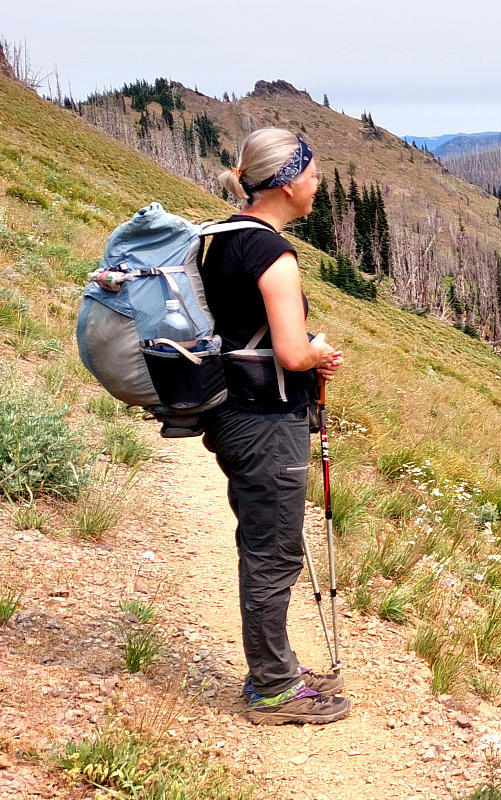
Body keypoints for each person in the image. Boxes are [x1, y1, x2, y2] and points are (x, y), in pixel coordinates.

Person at [202, 128, 348, 725]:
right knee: (273, 552)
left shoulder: (223, 236)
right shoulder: (274, 253)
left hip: (228, 411)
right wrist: (319, 352)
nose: (317, 185)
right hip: (264, 421)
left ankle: (276, 667)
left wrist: (299, 348)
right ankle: (273, 689)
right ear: (288, 184)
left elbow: (240, 327)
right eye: (312, 175)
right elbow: (289, 353)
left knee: (263, 543)